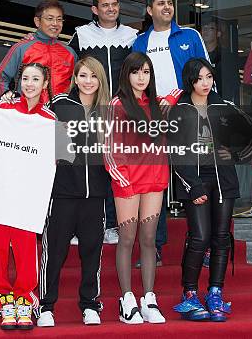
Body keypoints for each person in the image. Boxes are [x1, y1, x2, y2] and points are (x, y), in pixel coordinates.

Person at [171, 58, 252, 322]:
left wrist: (235, 153)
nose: (205, 83)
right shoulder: (180, 110)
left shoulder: (224, 106)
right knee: (200, 237)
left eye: (209, 77)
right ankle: (189, 294)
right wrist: (193, 186)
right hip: (194, 179)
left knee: (221, 237)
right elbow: (175, 154)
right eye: (200, 78)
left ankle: (215, 292)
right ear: (190, 80)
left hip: (224, 178)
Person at [0, 62, 55, 330]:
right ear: (19, 82)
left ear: (45, 85)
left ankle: (23, 300)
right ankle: (3, 300)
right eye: (25, 78)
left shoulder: (51, 121)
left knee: (27, 252)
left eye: (36, 79)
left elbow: (65, 156)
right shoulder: (3, 111)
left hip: (27, 199)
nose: (30, 84)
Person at [133, 0, 208, 265]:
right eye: (160, 3)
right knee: (154, 182)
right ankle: (155, 246)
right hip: (152, 116)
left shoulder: (190, 36)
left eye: (170, 3)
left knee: (193, 174)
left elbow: (204, 76)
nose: (167, 7)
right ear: (149, 10)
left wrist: (181, 97)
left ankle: (203, 241)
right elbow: (133, 81)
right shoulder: (140, 42)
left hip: (185, 113)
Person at [105, 52, 179, 324]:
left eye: (146, 72)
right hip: (127, 181)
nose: (141, 77)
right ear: (127, 74)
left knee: (149, 241)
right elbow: (110, 145)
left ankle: (149, 298)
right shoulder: (117, 104)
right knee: (127, 239)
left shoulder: (157, 104)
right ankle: (127, 300)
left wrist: (171, 99)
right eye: (136, 72)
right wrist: (120, 175)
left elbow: (181, 92)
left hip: (154, 181)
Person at [38, 56, 110, 327]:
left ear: (100, 78)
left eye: (93, 76)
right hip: (63, 193)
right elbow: (36, 128)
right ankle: (46, 306)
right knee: (54, 251)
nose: (88, 81)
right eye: (83, 75)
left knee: (92, 251)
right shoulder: (59, 105)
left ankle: (90, 305)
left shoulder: (108, 110)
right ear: (75, 78)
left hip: (97, 195)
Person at [69, 0, 137, 244]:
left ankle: (110, 225)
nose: (111, 8)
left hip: (120, 112)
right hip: (91, 108)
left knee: (113, 168)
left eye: (115, 4)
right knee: (86, 166)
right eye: (105, 5)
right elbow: (69, 65)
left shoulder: (132, 36)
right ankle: (79, 226)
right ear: (95, 10)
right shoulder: (81, 34)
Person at [0, 0, 77, 100]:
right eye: (50, 18)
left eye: (59, 19)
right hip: (29, 111)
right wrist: (6, 95)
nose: (55, 23)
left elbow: (79, 83)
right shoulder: (21, 48)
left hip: (61, 112)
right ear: (37, 21)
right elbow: (0, 77)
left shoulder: (70, 53)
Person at [201, 15, 240, 103]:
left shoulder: (226, 56)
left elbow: (234, 82)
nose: (206, 30)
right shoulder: (198, 54)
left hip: (222, 100)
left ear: (218, 33)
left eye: (211, 28)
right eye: (204, 28)